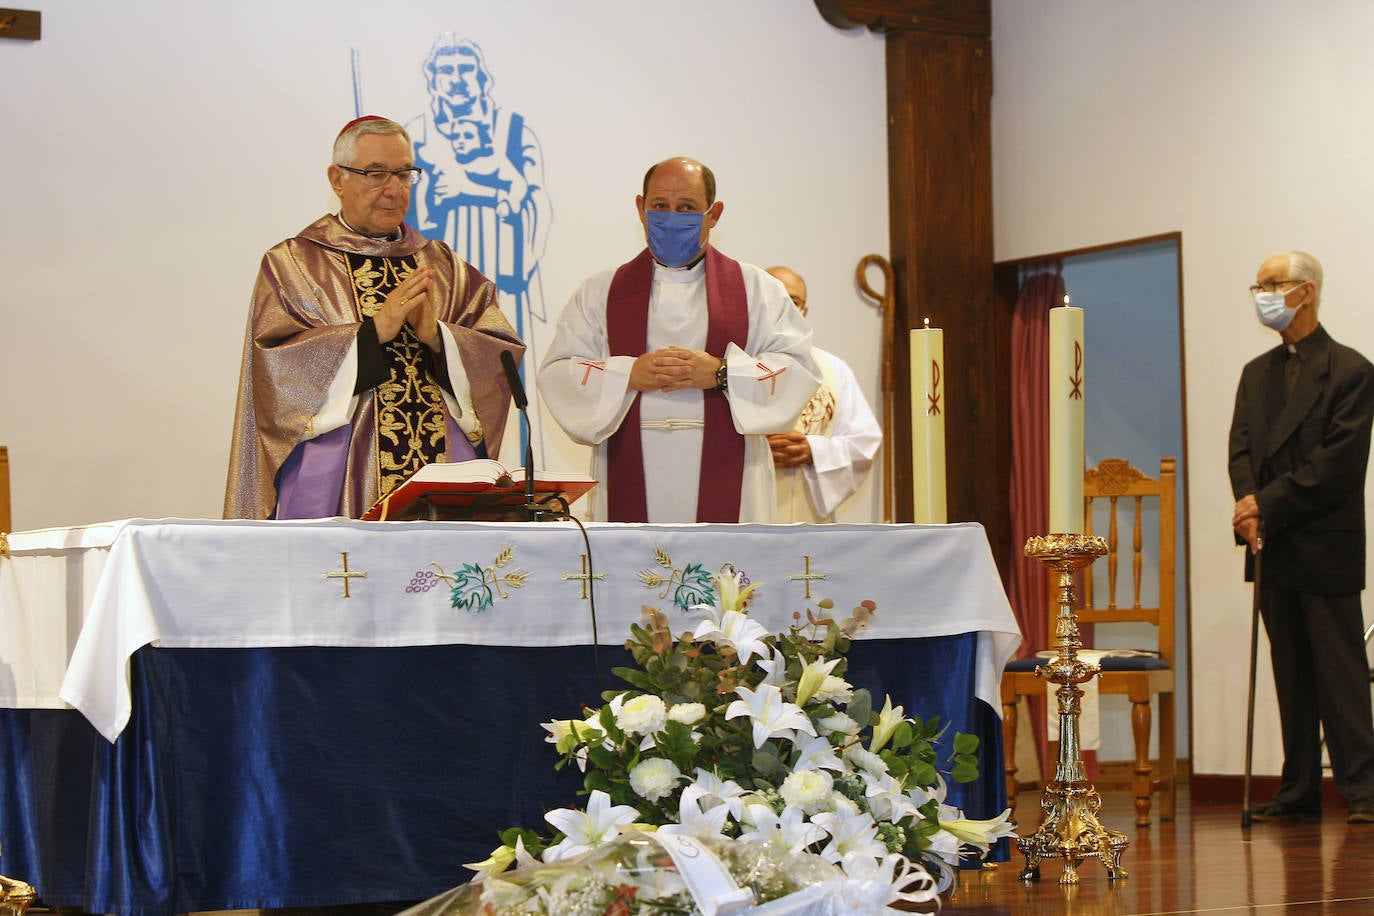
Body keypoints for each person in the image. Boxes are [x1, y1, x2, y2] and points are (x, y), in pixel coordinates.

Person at [225, 116, 523, 520]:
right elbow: (273, 368)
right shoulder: (295, 263)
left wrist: (438, 338)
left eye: (403, 174)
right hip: (340, 473)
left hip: (441, 476)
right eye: (376, 174)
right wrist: (369, 336)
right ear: (337, 179)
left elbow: (499, 350)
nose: (393, 190)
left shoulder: (443, 266)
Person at [538, 157, 820, 523]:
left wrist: (721, 374)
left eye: (686, 208)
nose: (672, 218)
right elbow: (559, 372)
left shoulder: (757, 290)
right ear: (640, 209)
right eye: (660, 207)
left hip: (732, 475)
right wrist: (629, 374)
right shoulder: (600, 292)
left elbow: (797, 367)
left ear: (714, 214)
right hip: (628, 468)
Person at [1228, 249, 1374, 824]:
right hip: (1273, 545)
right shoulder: (1255, 373)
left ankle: (1362, 788)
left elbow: (1337, 465)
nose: (1261, 294)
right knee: (1289, 671)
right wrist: (1248, 507)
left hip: (1326, 543)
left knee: (1339, 673)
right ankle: (1298, 788)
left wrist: (1265, 501)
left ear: (1304, 292)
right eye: (1258, 284)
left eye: (1272, 284)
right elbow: (1240, 450)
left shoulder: (1351, 370)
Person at [764, 266, 883, 523]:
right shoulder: (728, 367)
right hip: (745, 519)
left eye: (793, 301)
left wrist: (813, 451)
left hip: (809, 523)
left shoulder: (833, 370)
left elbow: (864, 443)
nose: (784, 306)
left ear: (804, 312)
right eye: (774, 295)